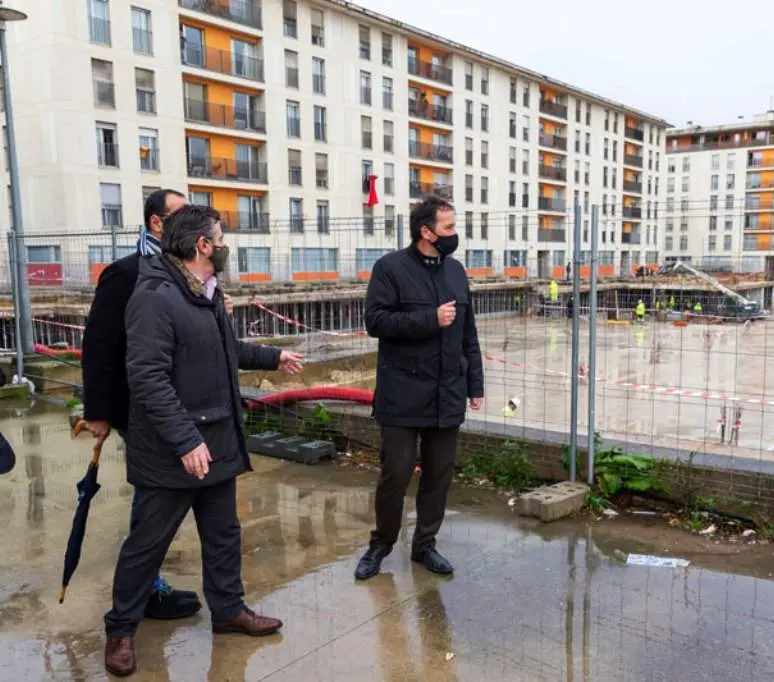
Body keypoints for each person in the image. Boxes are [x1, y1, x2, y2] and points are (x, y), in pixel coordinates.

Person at [103, 205, 304, 677]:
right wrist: (185, 440)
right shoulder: (155, 296)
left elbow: (223, 350)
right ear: (203, 246)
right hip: (174, 449)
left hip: (215, 441)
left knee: (223, 536)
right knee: (147, 545)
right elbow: (148, 378)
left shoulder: (206, 293)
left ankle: (229, 610)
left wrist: (275, 356)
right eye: (220, 236)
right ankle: (120, 630)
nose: (224, 243)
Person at [81, 188, 202, 621]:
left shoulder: (189, 271)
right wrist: (97, 410)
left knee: (166, 493)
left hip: (184, 403)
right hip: (142, 406)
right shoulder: (127, 273)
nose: (193, 221)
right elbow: (99, 344)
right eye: (182, 214)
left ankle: (146, 582)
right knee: (154, 495)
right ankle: (146, 589)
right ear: (157, 223)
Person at [354, 195, 484, 581]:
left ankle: (425, 545)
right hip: (402, 393)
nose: (454, 234)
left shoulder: (456, 272)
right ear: (425, 232)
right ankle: (380, 545)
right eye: (448, 228)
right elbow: (376, 322)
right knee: (395, 473)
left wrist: (474, 383)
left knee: (438, 474)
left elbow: (469, 333)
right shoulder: (390, 268)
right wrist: (428, 318)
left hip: (447, 392)